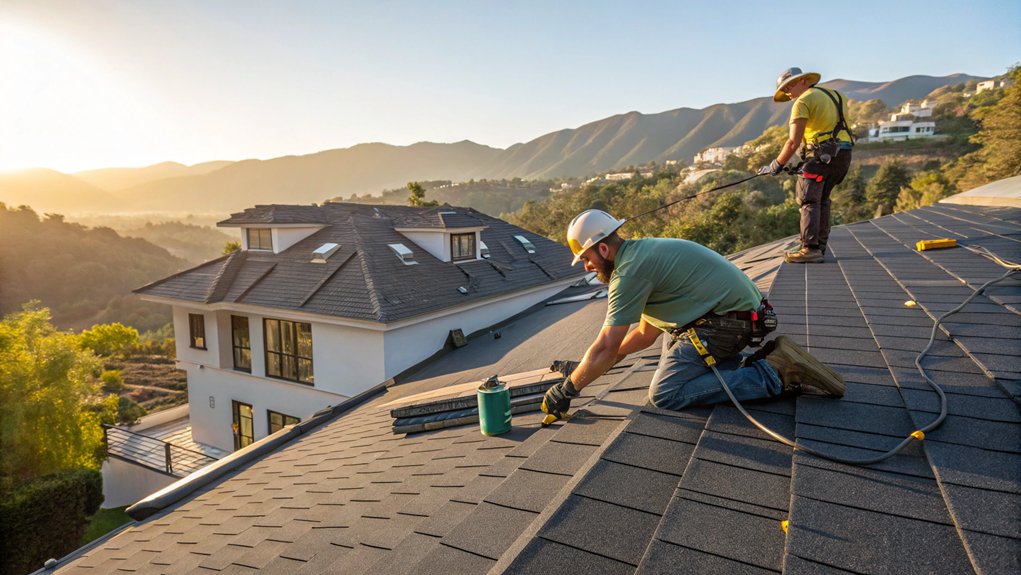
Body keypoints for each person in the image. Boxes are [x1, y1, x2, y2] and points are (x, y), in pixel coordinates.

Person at [542, 209, 845, 419]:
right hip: (737, 319)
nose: (586, 266)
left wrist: (568, 389)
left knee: (666, 393)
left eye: (586, 258)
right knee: (672, 352)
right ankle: (758, 364)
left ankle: (773, 375)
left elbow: (607, 347)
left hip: (724, 324)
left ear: (603, 249)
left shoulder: (629, 273)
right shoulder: (640, 255)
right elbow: (644, 335)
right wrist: (587, 368)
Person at [760, 67, 854, 264]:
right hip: (842, 155)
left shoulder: (803, 101)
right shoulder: (836, 95)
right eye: (784, 91)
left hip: (821, 157)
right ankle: (818, 247)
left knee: (808, 200)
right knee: (823, 200)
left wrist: (777, 164)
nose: (788, 93)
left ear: (802, 81)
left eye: (788, 87)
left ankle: (809, 249)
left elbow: (793, 141)